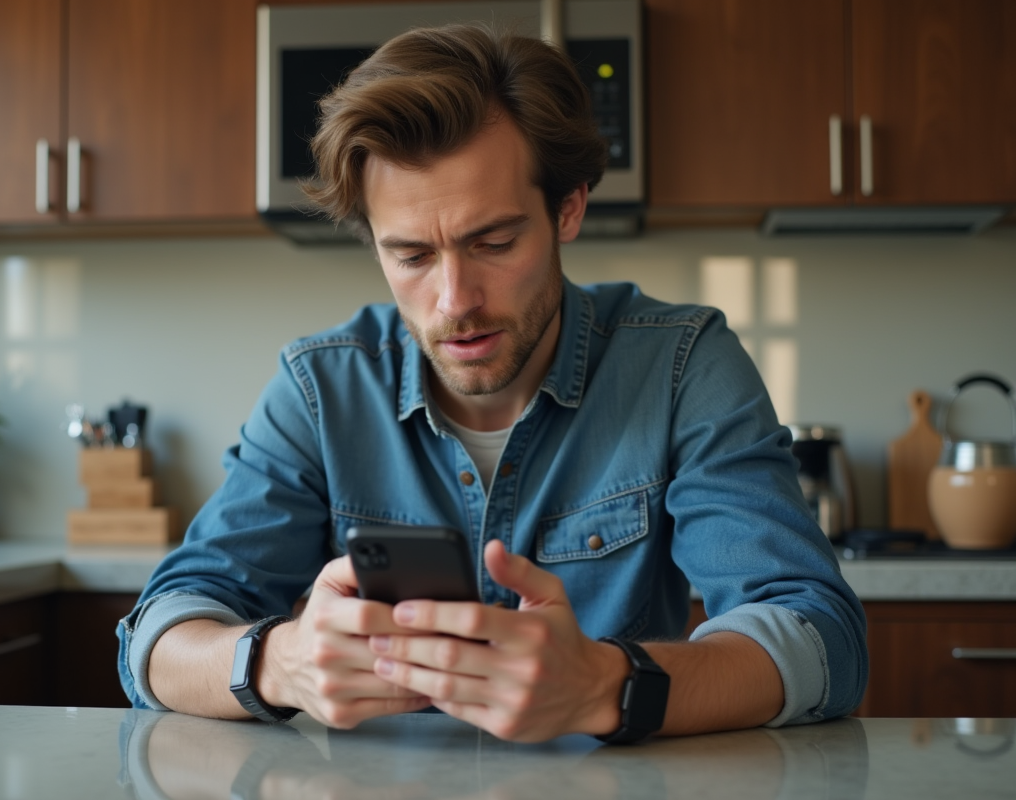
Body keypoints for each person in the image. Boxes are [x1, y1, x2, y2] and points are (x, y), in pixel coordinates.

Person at [116, 23, 867, 744]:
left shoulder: (681, 365)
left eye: (495, 242)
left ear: (568, 208)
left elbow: (822, 638)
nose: (455, 301)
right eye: (412, 255)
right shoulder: (320, 389)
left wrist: (608, 686)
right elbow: (158, 638)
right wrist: (278, 662)